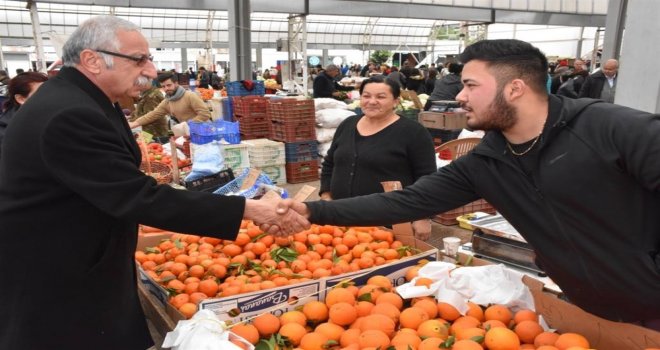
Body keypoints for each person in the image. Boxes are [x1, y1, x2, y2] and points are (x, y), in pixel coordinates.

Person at [278, 39, 660, 329]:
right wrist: (312, 210)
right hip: (591, 309)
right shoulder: (487, 160)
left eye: (470, 85)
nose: (459, 96)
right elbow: (405, 203)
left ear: (514, 88)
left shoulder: (613, 130)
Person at [0, 16, 308, 350]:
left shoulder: (83, 100)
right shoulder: (69, 113)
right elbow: (137, 197)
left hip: (76, 258)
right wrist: (249, 209)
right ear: (92, 59)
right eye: (139, 59)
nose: (150, 68)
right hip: (61, 273)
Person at [319, 75, 436, 240]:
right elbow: (330, 163)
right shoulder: (348, 124)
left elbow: (428, 178)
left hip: (389, 221)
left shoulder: (414, 132)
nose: (372, 101)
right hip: (341, 218)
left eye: (381, 97)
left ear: (396, 101)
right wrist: (326, 194)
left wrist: (423, 216)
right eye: (366, 96)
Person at [128, 71, 211, 130]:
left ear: (176, 83)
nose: (166, 89)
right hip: (189, 132)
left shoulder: (190, 96)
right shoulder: (167, 101)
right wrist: (134, 123)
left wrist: (187, 124)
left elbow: (205, 114)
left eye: (169, 85)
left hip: (204, 131)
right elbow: (153, 114)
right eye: (163, 86)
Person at [0, 72, 48, 154]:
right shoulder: (6, 131)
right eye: (41, 94)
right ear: (20, 99)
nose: (50, 97)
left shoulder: (49, 115)